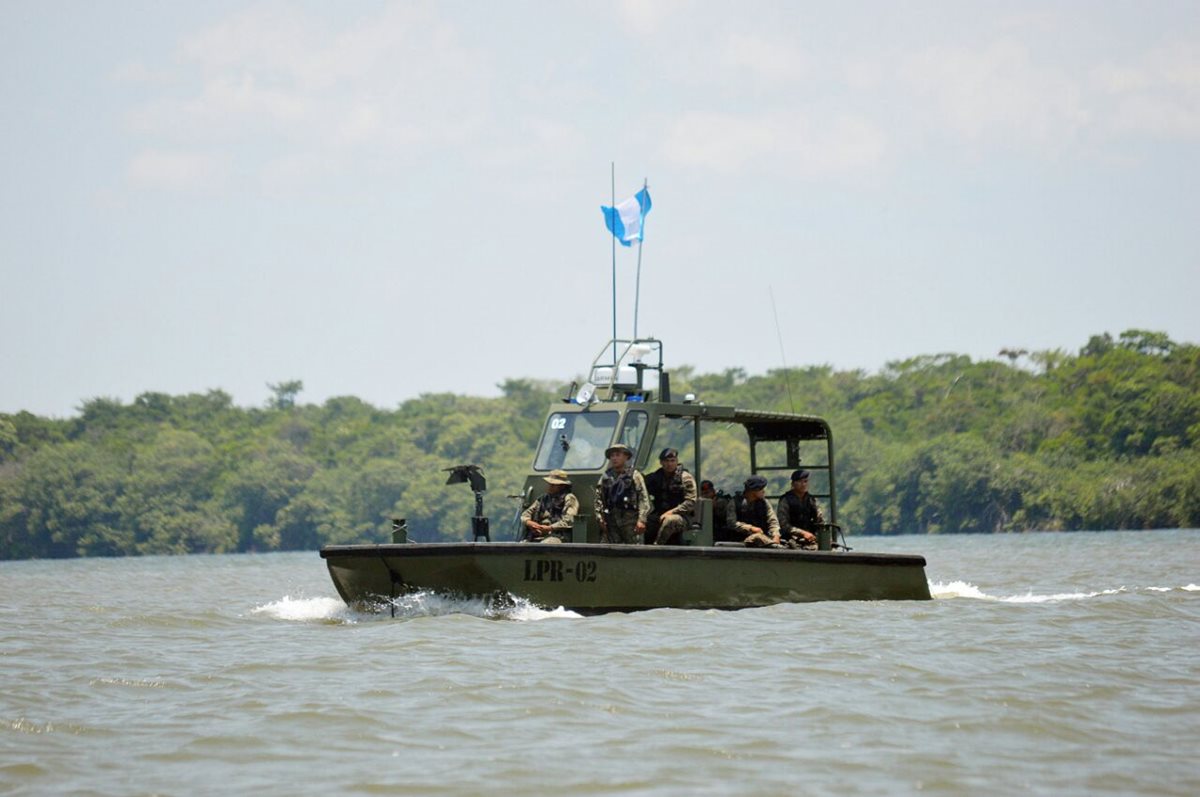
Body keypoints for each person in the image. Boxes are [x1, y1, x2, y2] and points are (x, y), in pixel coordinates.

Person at [594, 443, 649, 544]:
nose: (614, 458)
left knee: (635, 552)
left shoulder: (634, 475)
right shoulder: (606, 477)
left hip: (630, 522)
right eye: (612, 456)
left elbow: (643, 498)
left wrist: (642, 520)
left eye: (618, 455)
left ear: (626, 457)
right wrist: (599, 518)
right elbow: (598, 498)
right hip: (611, 523)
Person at [644, 448, 697, 545]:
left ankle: (657, 547)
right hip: (659, 514)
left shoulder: (685, 478)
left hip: (683, 517)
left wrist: (671, 512)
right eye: (666, 461)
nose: (669, 464)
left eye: (672, 461)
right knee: (644, 521)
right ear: (661, 462)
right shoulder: (656, 477)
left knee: (670, 521)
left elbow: (690, 503)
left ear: (677, 461)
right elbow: (641, 485)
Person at [520, 469, 579, 543]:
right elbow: (526, 514)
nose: (550, 487)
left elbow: (569, 520)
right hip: (539, 534)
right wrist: (530, 523)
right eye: (550, 484)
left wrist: (550, 528)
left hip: (558, 536)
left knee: (546, 544)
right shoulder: (543, 498)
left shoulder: (569, 498)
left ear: (562, 486)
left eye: (554, 485)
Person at [726, 475, 781, 547]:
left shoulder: (764, 502)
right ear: (753, 491)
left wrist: (776, 535)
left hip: (763, 540)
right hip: (740, 542)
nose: (763, 491)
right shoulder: (735, 502)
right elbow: (731, 523)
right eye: (761, 489)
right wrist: (751, 528)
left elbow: (773, 521)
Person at [777, 469, 825, 550]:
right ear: (793, 484)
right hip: (790, 538)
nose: (803, 485)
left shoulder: (811, 500)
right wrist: (802, 533)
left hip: (810, 538)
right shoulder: (785, 500)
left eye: (805, 481)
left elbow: (820, 521)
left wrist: (822, 537)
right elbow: (784, 524)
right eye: (800, 482)